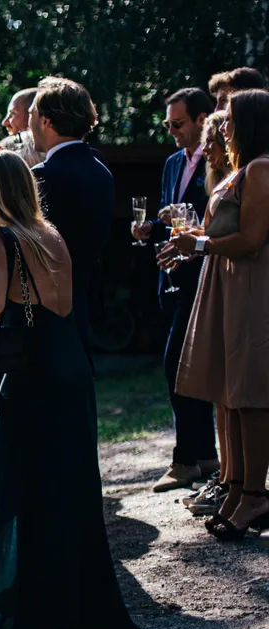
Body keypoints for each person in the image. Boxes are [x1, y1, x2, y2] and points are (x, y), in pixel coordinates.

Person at [0, 150, 137, 629]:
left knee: (19, 481)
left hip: (25, 372)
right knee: (65, 483)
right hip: (68, 365)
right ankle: (72, 601)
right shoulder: (51, 235)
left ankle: (24, 602)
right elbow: (63, 305)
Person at [167, 89, 269, 539]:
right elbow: (220, 229)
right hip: (226, 287)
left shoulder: (262, 169)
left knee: (248, 391)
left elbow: (251, 240)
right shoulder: (238, 171)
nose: (222, 129)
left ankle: (254, 494)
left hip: (251, 288)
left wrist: (202, 244)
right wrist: (189, 243)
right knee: (228, 391)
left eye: (229, 122)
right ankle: (236, 486)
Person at [132, 87, 219, 491]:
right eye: (168, 124)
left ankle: (186, 458)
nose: (172, 132)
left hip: (205, 275)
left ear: (204, 119)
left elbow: (216, 221)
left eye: (178, 124)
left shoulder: (219, 162)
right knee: (181, 365)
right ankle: (203, 456)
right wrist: (151, 228)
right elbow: (173, 219)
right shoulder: (171, 163)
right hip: (171, 277)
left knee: (177, 365)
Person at [27, 76, 114, 347]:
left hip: (47, 308)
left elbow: (14, 241)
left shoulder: (43, 176)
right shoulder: (101, 171)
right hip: (86, 301)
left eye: (31, 114)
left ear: (46, 121)